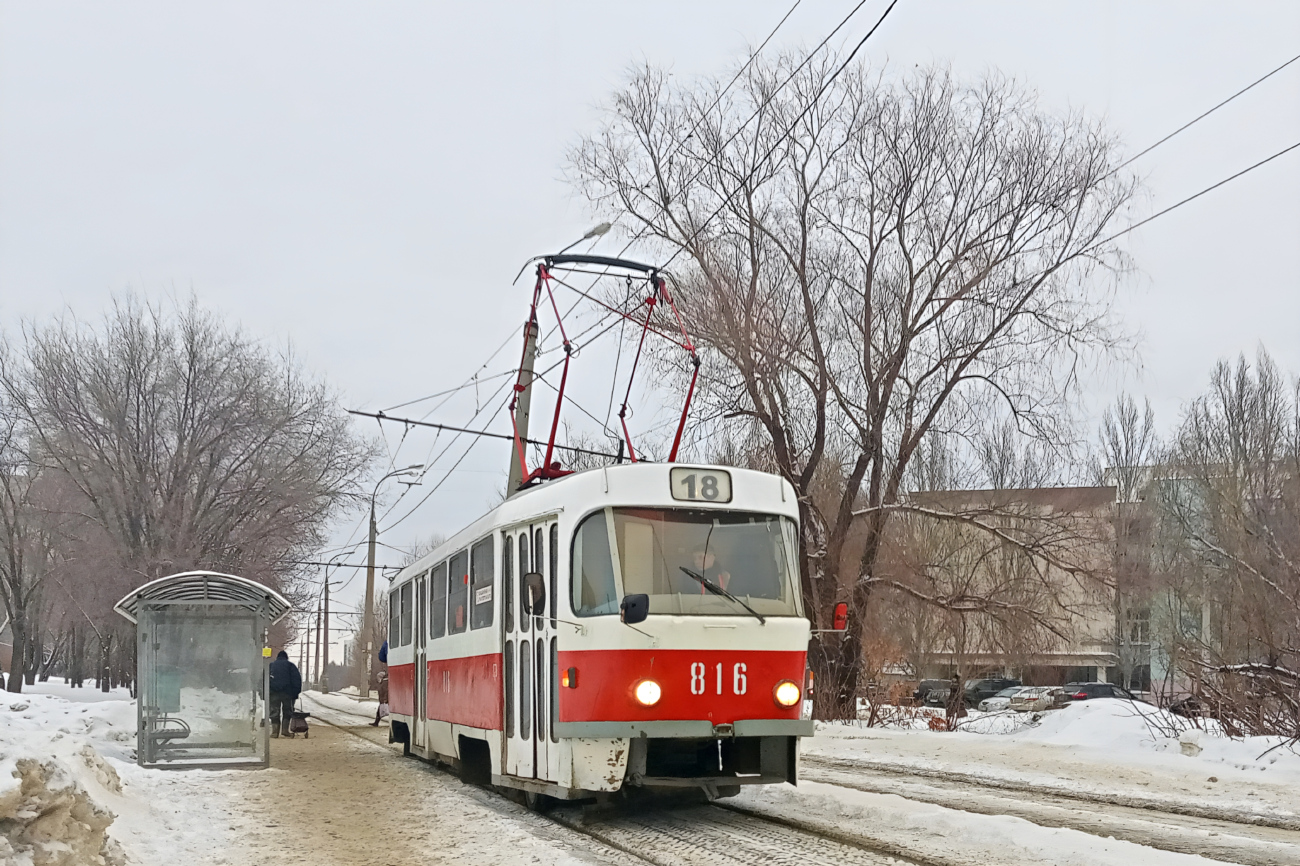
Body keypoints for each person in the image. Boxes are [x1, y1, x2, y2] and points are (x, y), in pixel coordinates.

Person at [268, 650, 302, 739]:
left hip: (273, 693)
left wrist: (264, 693)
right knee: (287, 711)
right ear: (286, 657)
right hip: (288, 693)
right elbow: (296, 680)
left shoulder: (271, 666)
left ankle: (274, 732)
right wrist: (295, 693)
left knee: (274, 711)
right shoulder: (290, 666)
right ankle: (285, 730)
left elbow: (264, 679)